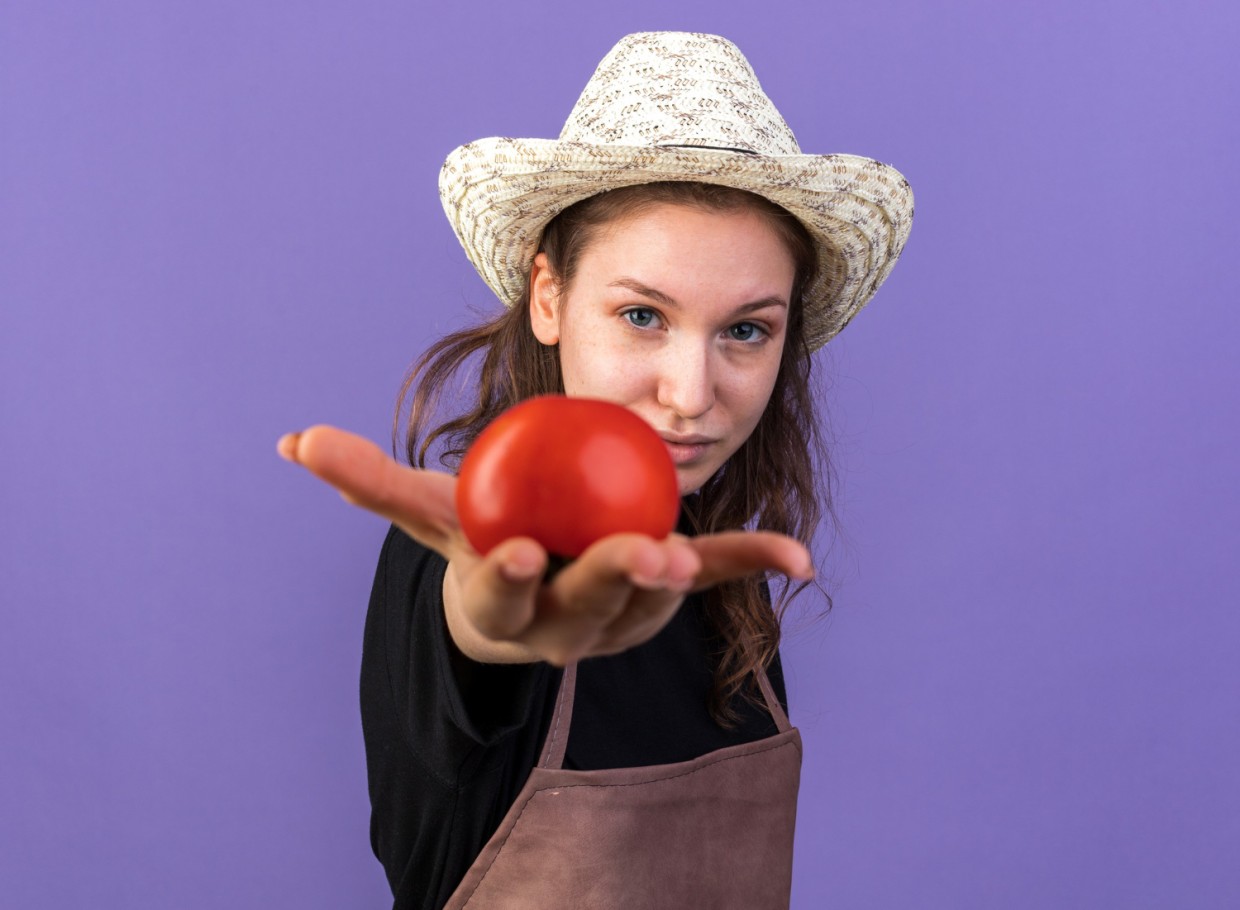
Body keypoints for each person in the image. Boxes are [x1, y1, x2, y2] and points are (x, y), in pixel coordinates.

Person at [277, 31, 913, 910]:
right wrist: (502, 609)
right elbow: (485, 617)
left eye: (745, 330)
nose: (691, 394)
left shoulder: (716, 562)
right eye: (643, 315)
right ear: (549, 298)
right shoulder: (470, 546)